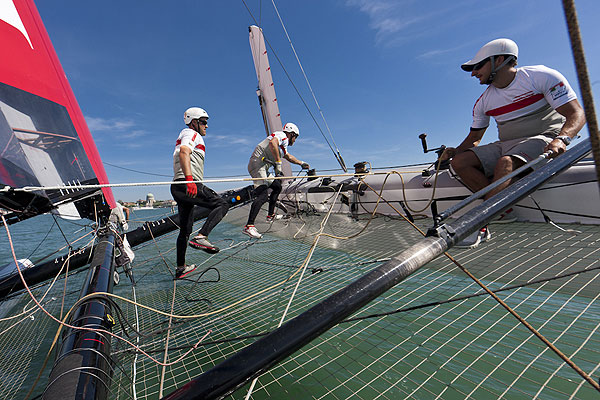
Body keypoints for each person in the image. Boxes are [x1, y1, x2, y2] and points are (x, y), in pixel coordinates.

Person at [442, 38, 586, 248]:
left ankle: (480, 223)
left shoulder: (540, 76)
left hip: (546, 137)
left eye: (478, 66)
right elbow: (474, 139)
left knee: (505, 163)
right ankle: (503, 210)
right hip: (507, 143)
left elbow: (577, 113)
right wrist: (454, 151)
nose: (473, 73)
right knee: (460, 162)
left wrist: (562, 139)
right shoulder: (483, 102)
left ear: (499, 60)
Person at [171, 107, 229, 279]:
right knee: (222, 204)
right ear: (194, 122)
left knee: (185, 230)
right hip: (187, 183)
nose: (207, 126)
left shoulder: (188, 135)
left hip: (177, 187)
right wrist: (190, 179)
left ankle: (181, 268)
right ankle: (202, 236)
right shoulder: (191, 134)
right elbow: (184, 152)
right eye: (204, 122)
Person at [243, 122, 310, 239]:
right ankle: (249, 226)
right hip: (258, 166)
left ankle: (270, 215)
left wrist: (301, 163)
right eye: (296, 137)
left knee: (277, 186)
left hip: (263, 168)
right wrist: (278, 163)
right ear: (291, 134)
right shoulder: (281, 136)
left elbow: (288, 156)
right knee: (263, 196)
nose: (295, 140)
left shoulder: (283, 143)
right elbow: (272, 142)